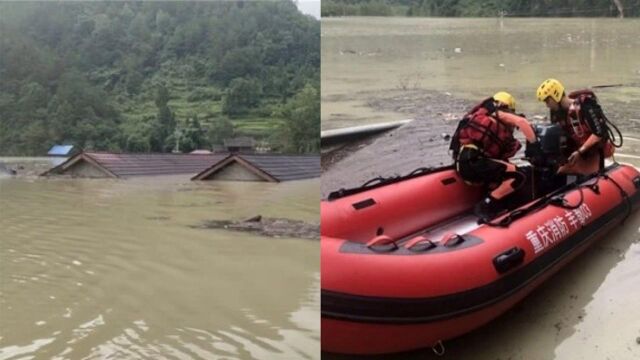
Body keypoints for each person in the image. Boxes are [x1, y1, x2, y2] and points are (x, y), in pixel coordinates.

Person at [451, 92, 538, 220]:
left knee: (503, 172)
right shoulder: (500, 114)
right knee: (518, 176)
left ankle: (495, 204)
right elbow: (522, 122)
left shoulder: (480, 117)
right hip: (475, 163)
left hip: (463, 163)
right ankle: (486, 205)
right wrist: (535, 145)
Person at [536, 78, 617, 175]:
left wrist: (580, 151)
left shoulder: (585, 106)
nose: (547, 105)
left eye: (547, 101)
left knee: (588, 176)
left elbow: (599, 133)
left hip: (594, 150)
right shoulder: (556, 113)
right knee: (559, 173)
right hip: (576, 151)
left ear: (555, 96)